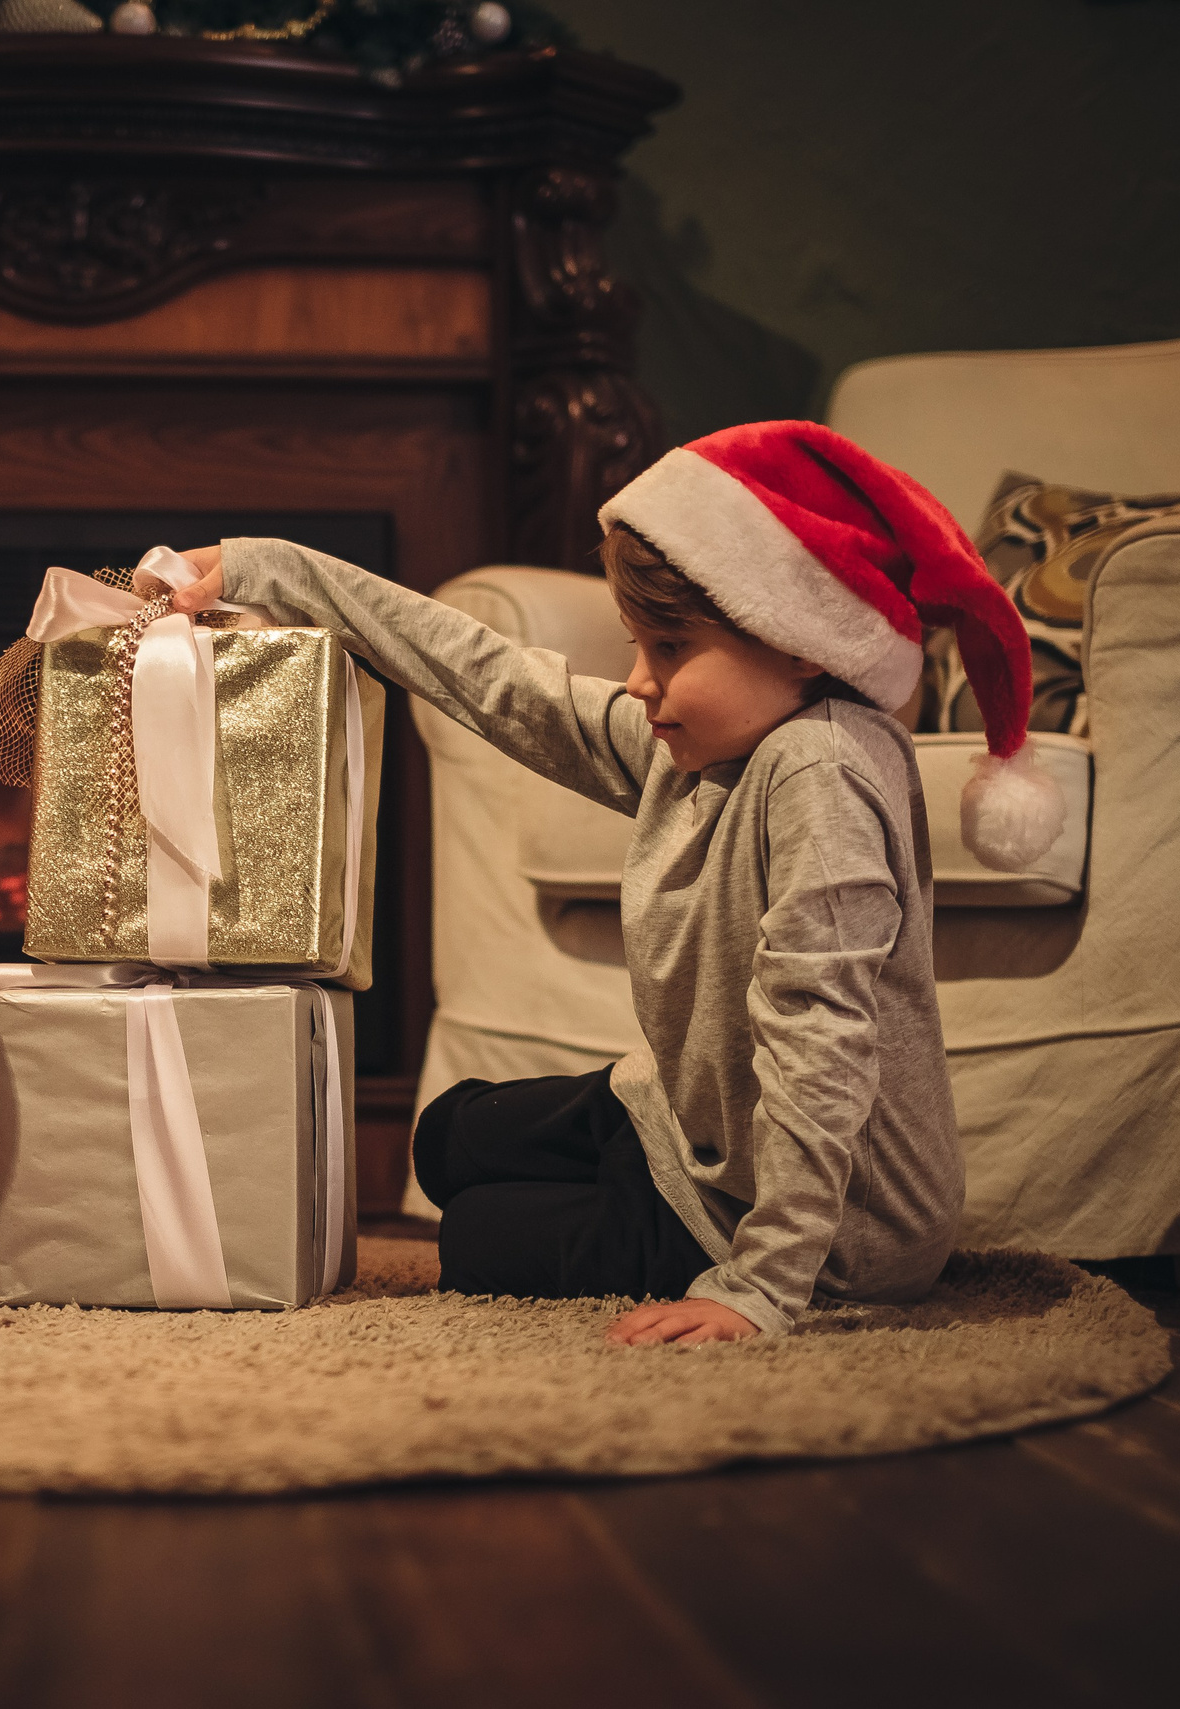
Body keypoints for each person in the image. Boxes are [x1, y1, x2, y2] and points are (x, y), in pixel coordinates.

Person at [155, 421, 1062, 1345]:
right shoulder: (706, 744)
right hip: (704, 1136)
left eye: (669, 648)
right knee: (448, 1134)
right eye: (637, 645)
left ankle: (678, 1221)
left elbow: (820, 1045)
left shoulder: (822, 773)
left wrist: (759, 1286)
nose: (637, 682)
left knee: (476, 1237)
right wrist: (275, 569)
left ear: (799, 641)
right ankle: (633, 1182)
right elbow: (501, 681)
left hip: (839, 1231)